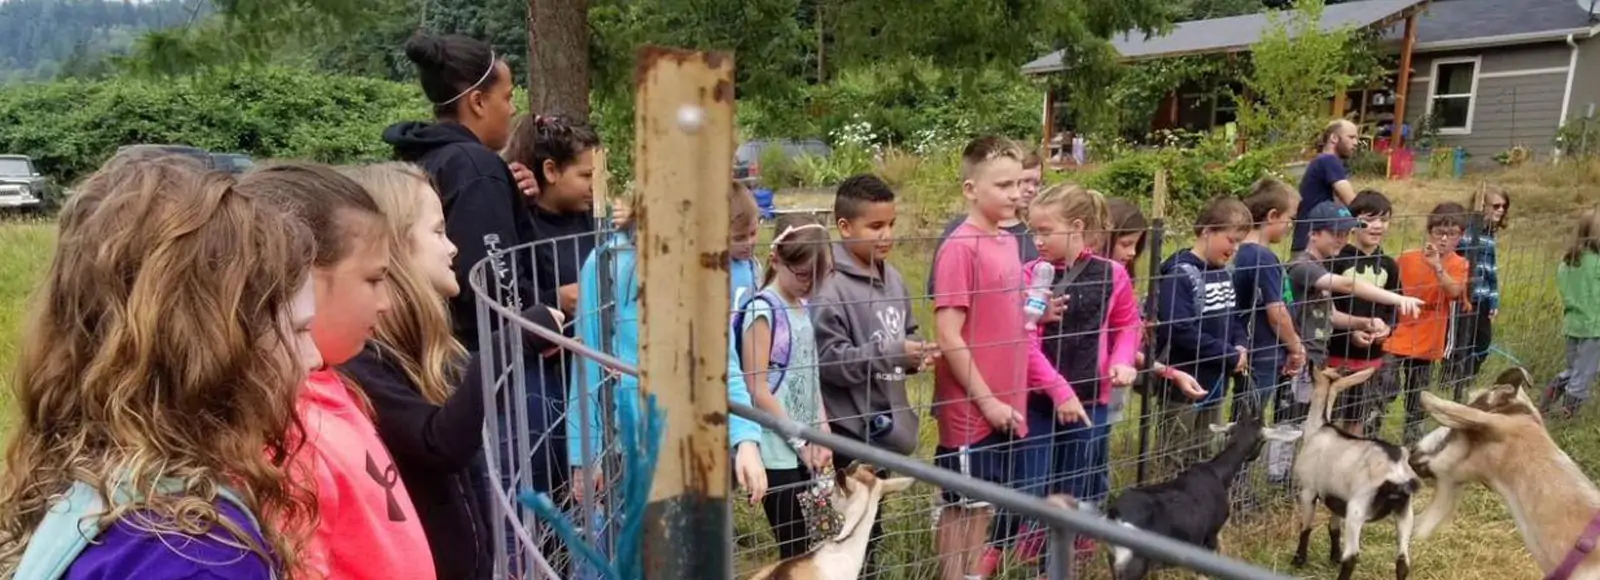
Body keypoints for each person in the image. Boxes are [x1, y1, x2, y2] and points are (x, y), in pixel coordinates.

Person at [0, 157, 317, 579]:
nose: (314, 356)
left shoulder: (88, 492)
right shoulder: (197, 557)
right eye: (298, 330)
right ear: (216, 353)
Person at [337, 163, 565, 580]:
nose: (454, 248)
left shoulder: (421, 353)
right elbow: (440, 441)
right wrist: (515, 338)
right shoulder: (362, 361)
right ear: (396, 249)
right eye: (438, 232)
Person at [238, 163, 436, 579]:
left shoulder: (331, 383)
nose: (385, 302)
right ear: (299, 279)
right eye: (374, 279)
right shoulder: (284, 434)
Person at [930, 136, 1086, 580]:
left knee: (983, 506)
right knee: (960, 508)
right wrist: (988, 402)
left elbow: (1011, 323)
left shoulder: (1007, 243)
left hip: (1006, 407)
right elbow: (948, 333)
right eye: (1003, 185)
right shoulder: (961, 247)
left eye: (1019, 183)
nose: (1016, 193)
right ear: (970, 189)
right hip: (971, 413)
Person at [567, 181, 769, 506]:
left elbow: (723, 363)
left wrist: (746, 440)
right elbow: (588, 363)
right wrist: (586, 455)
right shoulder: (607, 265)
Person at [811, 174, 933, 577]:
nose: (887, 235)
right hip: (846, 435)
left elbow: (906, 331)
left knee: (872, 533)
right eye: (875, 226)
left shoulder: (892, 277)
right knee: (842, 534)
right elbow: (829, 362)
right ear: (844, 227)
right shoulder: (829, 290)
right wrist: (890, 353)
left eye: (891, 225)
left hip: (883, 430)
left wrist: (914, 354)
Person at [382, 33, 526, 352]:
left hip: (433, 348)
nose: (513, 109)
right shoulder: (476, 168)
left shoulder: (423, 154)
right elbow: (494, 283)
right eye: (507, 97)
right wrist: (546, 312)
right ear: (477, 102)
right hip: (490, 360)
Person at [1021, 184, 1141, 558]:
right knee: (1033, 478)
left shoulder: (1112, 274)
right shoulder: (1028, 274)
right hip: (1038, 398)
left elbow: (1128, 324)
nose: (1037, 240)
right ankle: (1031, 544)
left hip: (1092, 397)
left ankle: (1070, 547)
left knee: (1078, 473)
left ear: (1075, 226)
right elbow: (1023, 341)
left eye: (1045, 230)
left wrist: (1122, 360)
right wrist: (1056, 389)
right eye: (1033, 231)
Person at [735, 216, 834, 560]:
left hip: (809, 446)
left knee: (819, 544)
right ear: (777, 257)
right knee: (795, 551)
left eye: (817, 277)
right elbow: (757, 389)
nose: (810, 285)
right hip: (778, 451)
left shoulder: (802, 307)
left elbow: (810, 373)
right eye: (804, 274)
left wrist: (822, 432)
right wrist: (801, 441)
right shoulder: (762, 310)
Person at [1150, 196, 1251, 477]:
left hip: (1216, 382)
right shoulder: (1180, 273)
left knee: (1204, 453)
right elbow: (1179, 329)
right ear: (1207, 231)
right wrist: (1228, 354)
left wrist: (1240, 345)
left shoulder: (1224, 273)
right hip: (1184, 384)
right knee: (1174, 454)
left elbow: (1234, 317)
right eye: (1230, 240)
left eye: (1239, 241)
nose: (1235, 248)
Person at [1380, 202, 1469, 444]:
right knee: (1384, 382)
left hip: (1428, 339)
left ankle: (1412, 439)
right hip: (1398, 334)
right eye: (1439, 232)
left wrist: (1437, 266)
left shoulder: (1459, 264)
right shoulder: (1407, 258)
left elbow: (1454, 291)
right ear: (1429, 232)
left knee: (1417, 392)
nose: (1444, 239)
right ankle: (1371, 428)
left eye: (1452, 234)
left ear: (1461, 236)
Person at [502, 113, 603, 316]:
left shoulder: (593, 219)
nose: (596, 185)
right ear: (551, 171)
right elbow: (512, 292)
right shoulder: (523, 226)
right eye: (586, 175)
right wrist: (555, 300)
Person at [1327, 190, 1404, 435]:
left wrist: (1387, 329)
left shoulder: (1389, 265)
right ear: (1353, 223)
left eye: (1384, 219)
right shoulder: (1337, 261)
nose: (1377, 226)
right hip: (1336, 357)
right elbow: (1326, 311)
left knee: (1358, 418)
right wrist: (1349, 333)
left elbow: (1394, 306)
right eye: (1369, 219)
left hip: (1372, 359)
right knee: (1332, 418)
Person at [1234, 179, 1306, 421]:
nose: (1291, 226)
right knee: (1250, 420)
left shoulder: (1239, 252)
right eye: (1290, 219)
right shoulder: (1263, 258)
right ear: (1273, 215)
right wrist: (1295, 347)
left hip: (1249, 348)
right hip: (1264, 349)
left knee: (1243, 414)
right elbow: (1276, 312)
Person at [927, 147, 1044, 296]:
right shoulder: (960, 232)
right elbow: (943, 293)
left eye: (1037, 183)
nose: (1031, 189)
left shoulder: (1034, 233)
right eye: (1024, 181)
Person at [1446, 187, 1509, 390]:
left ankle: (1465, 380)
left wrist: (1494, 300)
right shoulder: (1466, 232)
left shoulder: (1489, 235)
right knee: (1458, 342)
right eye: (1496, 206)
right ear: (1482, 207)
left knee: (1482, 342)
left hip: (1482, 299)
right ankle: (1448, 382)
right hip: (1462, 298)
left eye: (1504, 206)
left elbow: (1491, 272)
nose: (1501, 210)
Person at [1545, 207, 1600, 418]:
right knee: (1582, 376)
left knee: (1572, 371)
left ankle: (1543, 407)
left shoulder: (1568, 262)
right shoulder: (1596, 264)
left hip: (1573, 325)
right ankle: (1566, 419)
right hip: (1594, 328)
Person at [1293, 119, 1359, 252]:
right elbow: (1352, 201)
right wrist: (1371, 218)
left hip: (1308, 238)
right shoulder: (1328, 160)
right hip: (1314, 243)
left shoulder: (1321, 161)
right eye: (1351, 137)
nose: (1356, 143)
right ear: (1334, 138)